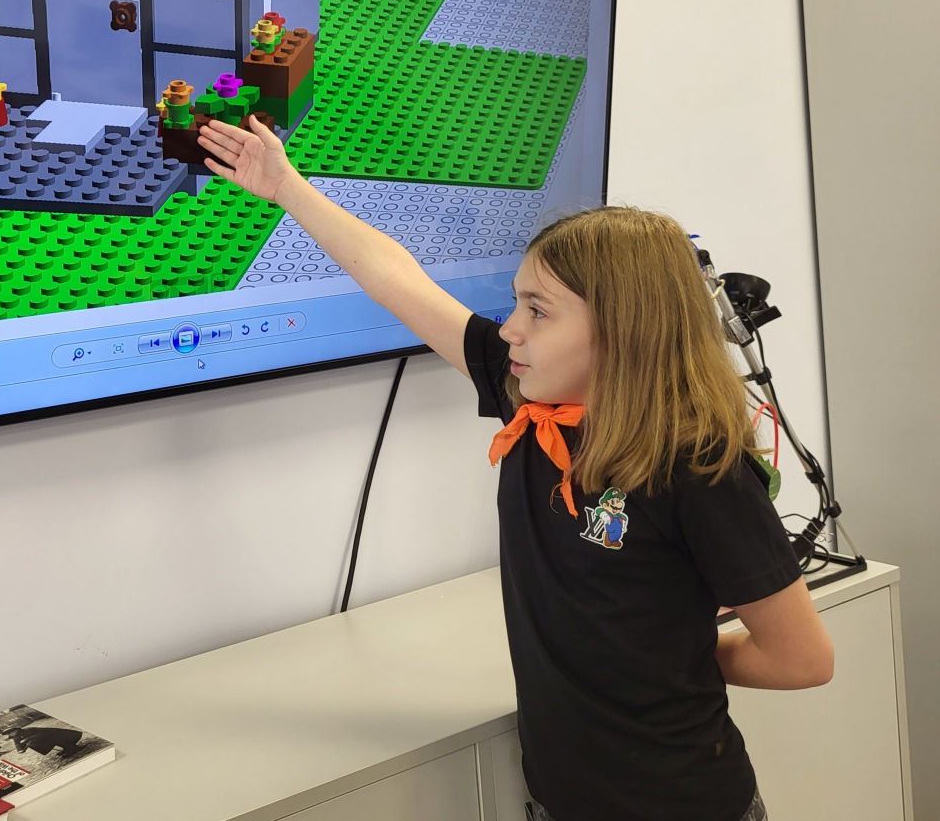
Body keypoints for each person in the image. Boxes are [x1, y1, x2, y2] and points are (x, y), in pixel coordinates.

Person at [197, 116, 835, 821]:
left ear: (623, 330)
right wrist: (287, 187)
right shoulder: (527, 400)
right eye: (517, 303)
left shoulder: (700, 470)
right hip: (560, 799)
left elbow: (803, 659)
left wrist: (680, 655)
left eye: (538, 311)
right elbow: (394, 279)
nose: (509, 329)